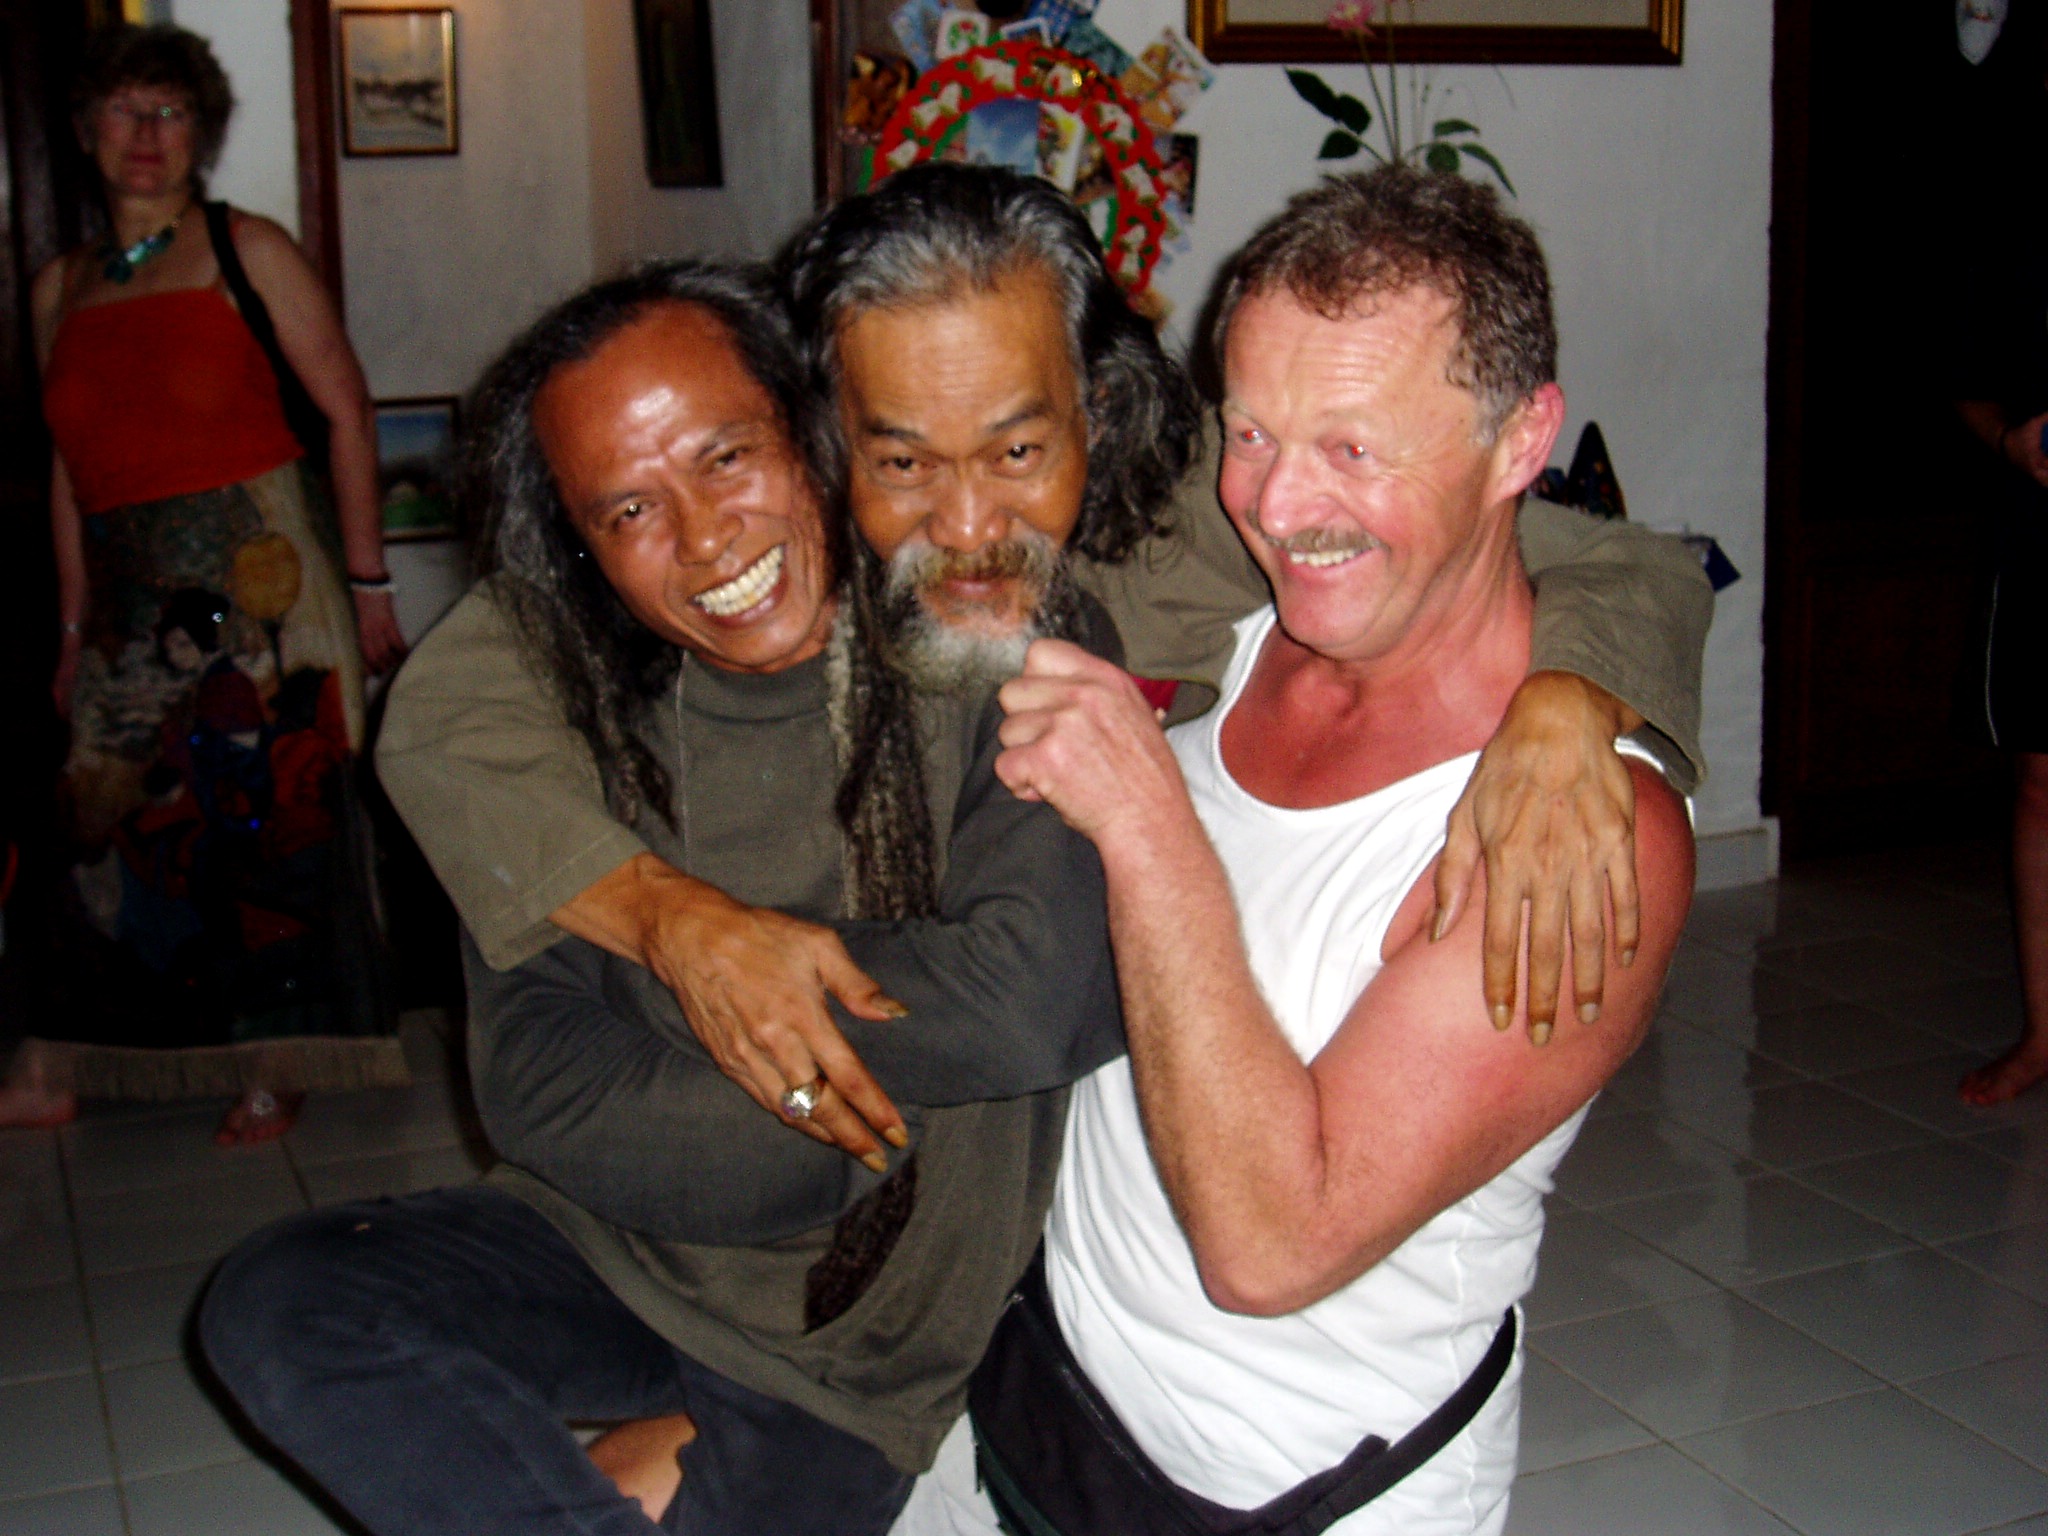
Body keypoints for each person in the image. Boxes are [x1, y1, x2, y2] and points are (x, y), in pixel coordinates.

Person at [206, 171, 1706, 1534]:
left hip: (1036, 1385)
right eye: (901, 456)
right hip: (923, 1343)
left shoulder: (1157, 551)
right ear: (825, 429)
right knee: (286, 1303)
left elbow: (1560, 547)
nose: (970, 525)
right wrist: (676, 929)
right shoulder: (650, 612)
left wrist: (1573, 695)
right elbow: (452, 712)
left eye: (1019, 447)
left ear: (1097, 417)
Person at [899, 167, 1695, 1536]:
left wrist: (1145, 819)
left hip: (1296, 1491)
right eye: (1251, 431)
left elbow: (1271, 1249)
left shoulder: (1575, 832)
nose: (1276, 503)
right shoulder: (1236, 619)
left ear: (1520, 441)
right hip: (1032, 1394)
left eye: (1355, 448)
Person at [0, 23, 406, 1145]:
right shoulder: (57, 287)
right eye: (123, 110)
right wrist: (71, 630)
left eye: (170, 111)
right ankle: (72, 1062)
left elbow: (347, 412)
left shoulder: (248, 248)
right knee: (101, 831)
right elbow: (68, 473)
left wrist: (368, 582)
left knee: (264, 832)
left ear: (202, 134)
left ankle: (278, 1060)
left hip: (261, 586)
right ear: (85, 131)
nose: (146, 133)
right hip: (124, 604)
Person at [1951, 5, 2048, 1105]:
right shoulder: (2014, 218)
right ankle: (2041, 1033)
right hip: (2041, 530)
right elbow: (1969, 388)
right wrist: (2011, 442)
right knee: (2038, 784)